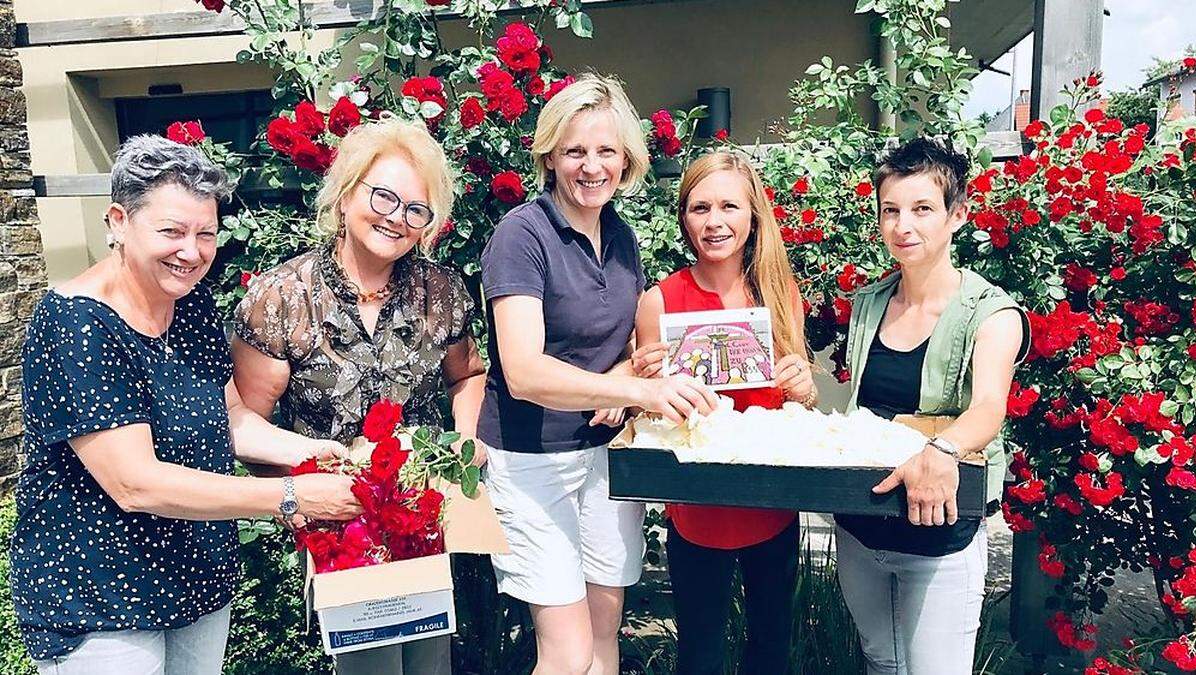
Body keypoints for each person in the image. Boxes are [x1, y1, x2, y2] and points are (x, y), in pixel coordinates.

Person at [11, 134, 362, 675]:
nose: (192, 252)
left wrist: (323, 452)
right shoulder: (75, 325)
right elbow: (136, 483)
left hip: (194, 575)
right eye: (171, 231)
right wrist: (292, 495)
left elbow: (232, 420)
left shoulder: (189, 300)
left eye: (206, 233)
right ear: (118, 222)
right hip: (101, 594)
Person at [479, 74, 720, 675]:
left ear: (628, 159)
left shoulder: (621, 237)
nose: (592, 166)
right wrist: (638, 390)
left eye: (606, 151)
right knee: (566, 652)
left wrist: (629, 376)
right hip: (533, 460)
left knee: (605, 632)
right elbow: (524, 373)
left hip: (605, 455)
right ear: (550, 156)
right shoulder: (520, 236)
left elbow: (617, 352)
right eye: (575, 151)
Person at [232, 116, 482, 675]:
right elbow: (246, 422)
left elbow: (467, 375)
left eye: (416, 210)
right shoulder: (282, 297)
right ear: (346, 194)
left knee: (428, 663)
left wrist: (466, 443)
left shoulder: (440, 292)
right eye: (384, 197)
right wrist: (293, 499)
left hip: (422, 512)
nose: (397, 218)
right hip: (337, 522)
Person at [836, 138, 1030, 675]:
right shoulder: (869, 304)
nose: (904, 226)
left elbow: (990, 408)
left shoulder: (991, 313)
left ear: (957, 214)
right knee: (881, 661)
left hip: (938, 537)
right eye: (891, 211)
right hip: (859, 530)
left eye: (922, 209)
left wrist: (942, 448)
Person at [632, 151, 817, 674]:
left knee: (771, 649)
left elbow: (797, 402)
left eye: (729, 207)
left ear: (753, 215)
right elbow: (649, 419)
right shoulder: (660, 301)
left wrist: (802, 385)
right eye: (700, 208)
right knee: (701, 653)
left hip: (772, 506)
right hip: (697, 510)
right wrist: (645, 381)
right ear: (684, 218)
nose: (715, 222)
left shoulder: (780, 293)